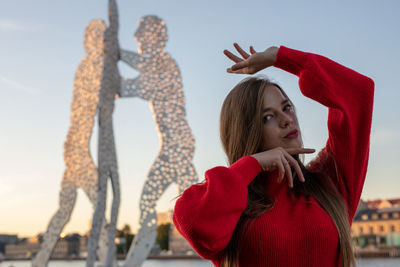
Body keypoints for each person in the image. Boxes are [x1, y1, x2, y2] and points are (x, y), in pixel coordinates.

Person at [173, 43, 374, 267]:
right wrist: (252, 164)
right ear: (247, 132)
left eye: (287, 107)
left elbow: (358, 92)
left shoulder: (328, 182)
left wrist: (281, 57)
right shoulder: (232, 200)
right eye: (267, 117)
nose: (286, 119)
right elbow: (192, 221)